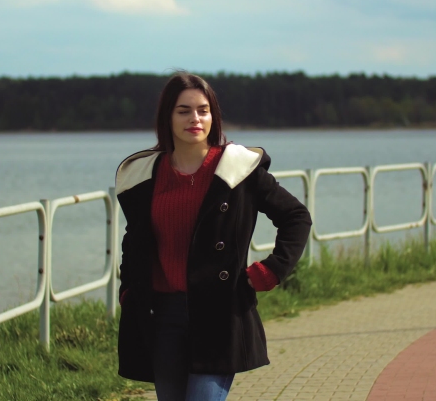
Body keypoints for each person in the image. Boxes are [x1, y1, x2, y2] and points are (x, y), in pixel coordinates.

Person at [114, 71, 312, 401]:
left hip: (219, 314)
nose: (195, 118)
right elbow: (134, 238)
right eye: (184, 110)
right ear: (168, 116)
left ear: (213, 116)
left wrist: (273, 270)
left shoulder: (238, 170)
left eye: (203, 110)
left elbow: (296, 217)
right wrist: (128, 290)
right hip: (162, 317)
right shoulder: (145, 175)